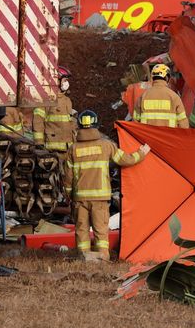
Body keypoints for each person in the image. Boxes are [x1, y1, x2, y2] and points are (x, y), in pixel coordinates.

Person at [64, 110, 149, 260]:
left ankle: (84, 257)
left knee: (81, 229)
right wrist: (141, 153)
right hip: (100, 198)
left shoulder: (73, 149)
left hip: (80, 198)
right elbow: (126, 160)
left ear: (80, 126)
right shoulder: (106, 146)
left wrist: (69, 196)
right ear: (96, 124)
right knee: (100, 230)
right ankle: (102, 258)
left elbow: (68, 178)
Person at [33, 67, 76, 155]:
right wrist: (39, 142)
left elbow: (70, 123)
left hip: (68, 149)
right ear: (56, 81)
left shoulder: (67, 100)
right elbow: (38, 122)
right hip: (51, 149)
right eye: (65, 80)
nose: (66, 83)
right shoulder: (45, 100)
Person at [133, 63, 188, 127]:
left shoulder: (143, 97)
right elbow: (183, 124)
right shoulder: (174, 97)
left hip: (147, 136)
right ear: (167, 78)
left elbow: (135, 123)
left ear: (153, 78)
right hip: (168, 136)